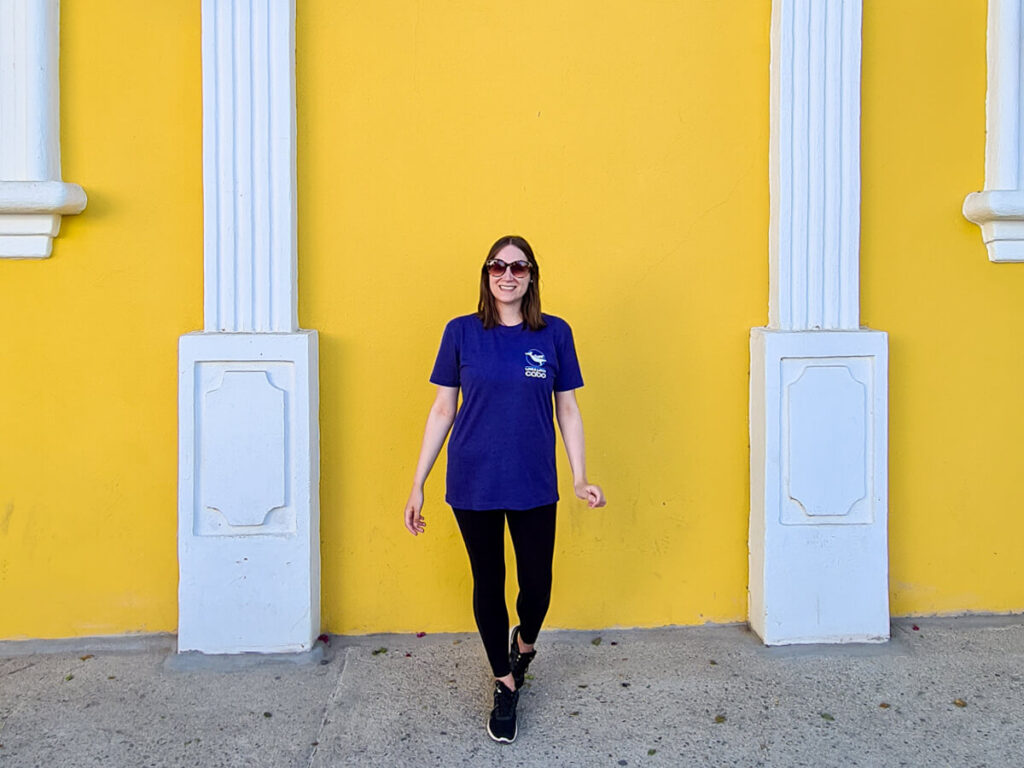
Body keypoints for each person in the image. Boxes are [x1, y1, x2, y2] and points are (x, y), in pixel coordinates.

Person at [403, 234, 606, 744]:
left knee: (536, 585)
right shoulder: (461, 333)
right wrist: (418, 483)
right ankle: (504, 680)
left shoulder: (554, 334)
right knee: (487, 582)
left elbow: (568, 410)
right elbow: (443, 410)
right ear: (486, 275)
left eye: (518, 267)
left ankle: (526, 642)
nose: (507, 275)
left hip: (535, 481)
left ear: (532, 275)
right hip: (473, 480)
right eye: (498, 266)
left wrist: (580, 475)